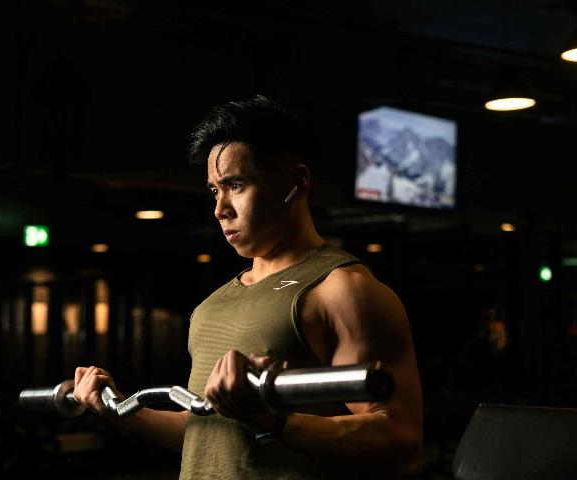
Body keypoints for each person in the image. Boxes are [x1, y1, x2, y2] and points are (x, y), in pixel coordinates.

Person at [72, 95, 423, 479]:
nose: (220, 208)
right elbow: (208, 434)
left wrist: (272, 421)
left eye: (235, 185)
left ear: (297, 182)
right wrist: (123, 411)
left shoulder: (342, 290)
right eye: (214, 191)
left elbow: (399, 443)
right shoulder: (211, 307)